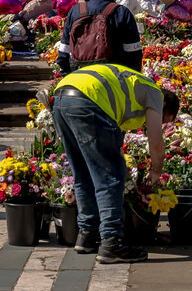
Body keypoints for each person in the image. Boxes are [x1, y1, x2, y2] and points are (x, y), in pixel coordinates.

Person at [50, 63, 180, 263]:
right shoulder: (155, 93)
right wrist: (156, 170)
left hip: (62, 97)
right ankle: (112, 242)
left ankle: (87, 235)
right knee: (110, 175)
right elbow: (155, 140)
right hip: (88, 100)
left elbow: (114, 135)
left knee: (83, 172)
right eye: (164, 120)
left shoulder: (132, 90)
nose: (160, 123)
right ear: (164, 106)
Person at [57, 0, 142, 75]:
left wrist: (67, 75)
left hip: (80, 75)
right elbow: (134, 54)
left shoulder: (76, 11)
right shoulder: (121, 12)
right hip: (112, 77)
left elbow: (64, 50)